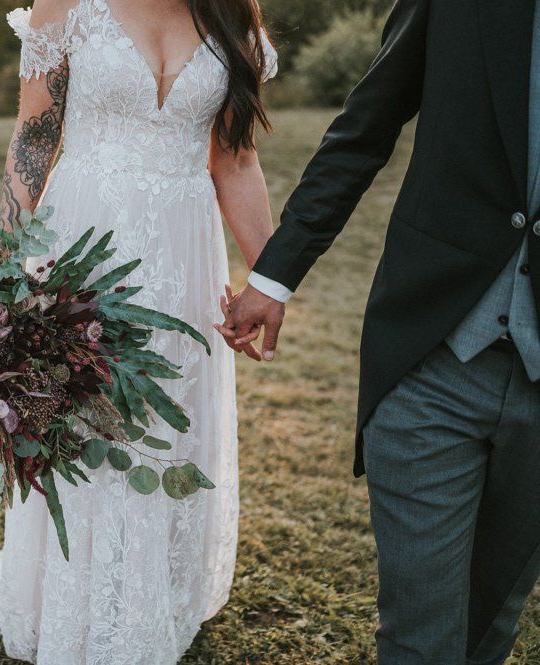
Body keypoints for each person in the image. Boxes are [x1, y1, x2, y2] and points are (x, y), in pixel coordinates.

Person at [220, 1, 540, 662]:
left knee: (491, 624)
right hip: (432, 357)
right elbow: (364, 129)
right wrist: (273, 278)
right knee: (420, 638)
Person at [0, 1, 278, 663]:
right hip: (82, 243)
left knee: (165, 422)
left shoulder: (232, 15)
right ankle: (71, 602)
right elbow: (34, 137)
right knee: (80, 417)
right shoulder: (68, 4)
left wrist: (269, 281)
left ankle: (149, 599)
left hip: (184, 256)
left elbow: (235, 161)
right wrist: (3, 268)